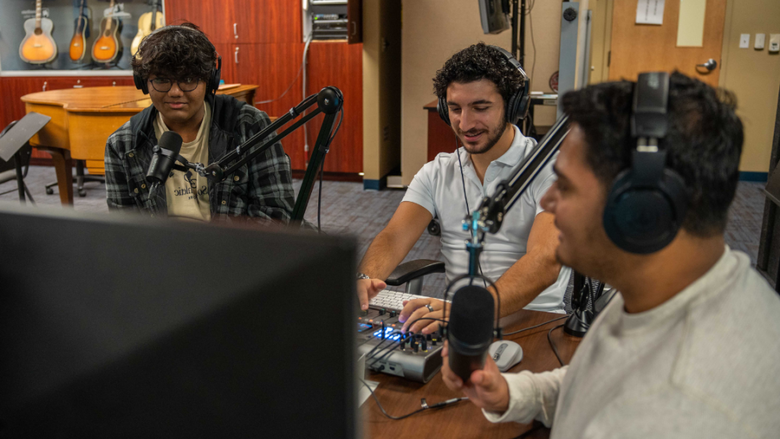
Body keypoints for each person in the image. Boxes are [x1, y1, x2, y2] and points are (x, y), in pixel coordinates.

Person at [441, 72, 780, 438]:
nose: (547, 201)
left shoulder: (682, 410)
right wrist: (511, 393)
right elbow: (597, 383)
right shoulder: (678, 287)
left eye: (566, 186)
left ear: (640, 211)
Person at [357, 43, 571, 334]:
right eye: (455, 109)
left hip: (533, 325)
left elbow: (545, 261)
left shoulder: (551, 170)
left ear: (513, 106)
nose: (465, 123)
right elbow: (394, 236)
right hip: (457, 322)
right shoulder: (437, 172)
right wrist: (364, 278)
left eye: (480, 108)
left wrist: (470, 309)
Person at [105, 23, 295, 224]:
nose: (175, 92)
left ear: (210, 81)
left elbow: (278, 216)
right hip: (162, 252)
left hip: (233, 251)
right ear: (144, 84)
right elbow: (124, 230)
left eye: (188, 79)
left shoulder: (250, 125)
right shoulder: (123, 144)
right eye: (161, 80)